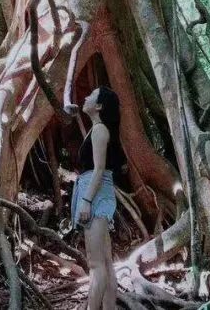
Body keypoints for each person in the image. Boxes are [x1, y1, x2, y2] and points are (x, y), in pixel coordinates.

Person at [70, 86, 124, 310]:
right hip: (100, 193)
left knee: (95, 264)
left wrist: (87, 200)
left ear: (99, 106)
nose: (85, 96)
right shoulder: (99, 129)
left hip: (96, 194)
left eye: (91, 95)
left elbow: (99, 169)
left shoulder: (100, 130)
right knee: (106, 263)